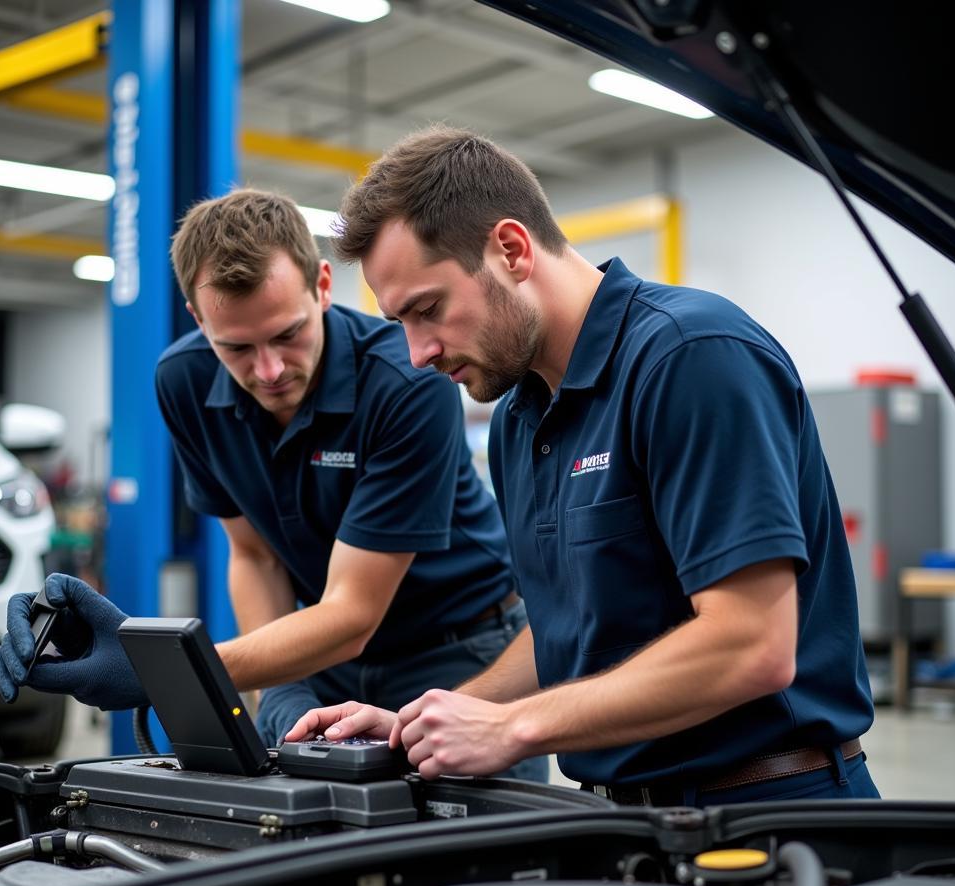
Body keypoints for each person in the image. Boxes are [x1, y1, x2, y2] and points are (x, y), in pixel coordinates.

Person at [286, 125, 880, 806]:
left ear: (511, 249)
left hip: (773, 813)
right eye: (400, 324)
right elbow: (569, 633)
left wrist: (515, 727)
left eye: (428, 310)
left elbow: (751, 644)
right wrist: (424, 724)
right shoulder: (519, 419)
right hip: (628, 821)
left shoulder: (690, 356)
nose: (417, 353)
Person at [0, 187, 547, 781]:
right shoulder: (183, 381)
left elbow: (353, 615)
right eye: (237, 347)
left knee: (475, 855)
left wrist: (167, 670)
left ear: (324, 287)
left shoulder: (403, 381)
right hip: (321, 653)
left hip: (461, 650)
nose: (270, 370)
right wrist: (281, 684)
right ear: (197, 317)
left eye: (288, 334)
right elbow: (253, 554)